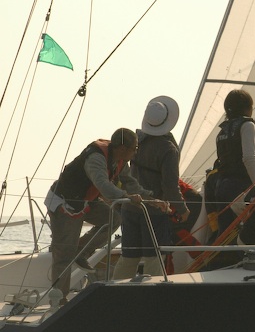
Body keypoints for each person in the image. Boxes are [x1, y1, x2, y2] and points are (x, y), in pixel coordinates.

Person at [45, 128, 165, 302]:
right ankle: (58, 301)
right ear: (123, 148)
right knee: (64, 254)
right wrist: (127, 197)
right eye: (135, 148)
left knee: (113, 219)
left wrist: (151, 199)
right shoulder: (96, 158)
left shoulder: (120, 160)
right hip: (64, 203)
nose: (136, 152)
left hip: (85, 201)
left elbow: (130, 183)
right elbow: (103, 185)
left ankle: (81, 250)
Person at [113, 96, 189, 279]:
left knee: (128, 257)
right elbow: (170, 186)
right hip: (154, 211)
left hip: (130, 207)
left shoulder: (135, 141)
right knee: (154, 258)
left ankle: (115, 288)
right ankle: (152, 291)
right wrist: (182, 209)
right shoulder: (168, 149)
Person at [214, 89, 255, 235]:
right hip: (241, 188)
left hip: (221, 186)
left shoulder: (222, 130)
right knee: (245, 233)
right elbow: (249, 158)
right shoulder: (247, 125)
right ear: (247, 108)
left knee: (225, 233)